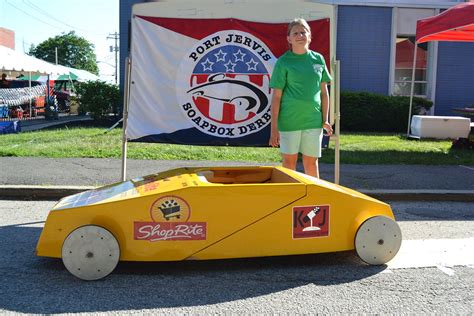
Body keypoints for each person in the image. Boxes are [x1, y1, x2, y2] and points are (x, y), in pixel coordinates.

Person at [269, 18, 333, 178]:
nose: (300, 35)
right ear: (289, 39)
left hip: (313, 122)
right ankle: (289, 199)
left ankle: (313, 200)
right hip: (289, 122)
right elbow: (276, 97)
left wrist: (325, 119)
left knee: (311, 163)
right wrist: (274, 129)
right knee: (289, 164)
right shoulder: (283, 62)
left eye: (303, 32)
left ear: (310, 36)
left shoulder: (318, 59)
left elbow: (324, 93)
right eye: (295, 33)